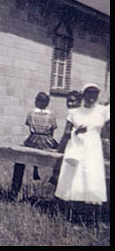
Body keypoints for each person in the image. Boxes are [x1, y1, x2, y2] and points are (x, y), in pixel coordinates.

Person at [54, 83, 109, 227]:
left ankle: (93, 219)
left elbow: (106, 132)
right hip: (77, 148)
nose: (91, 97)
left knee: (92, 180)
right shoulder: (74, 112)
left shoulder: (103, 111)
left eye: (94, 94)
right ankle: (73, 218)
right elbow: (66, 133)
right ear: (83, 95)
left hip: (94, 150)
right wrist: (76, 132)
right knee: (76, 180)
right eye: (88, 93)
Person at [23, 92, 58, 180]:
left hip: (33, 138)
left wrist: (33, 136)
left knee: (29, 145)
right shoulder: (51, 114)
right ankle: (54, 174)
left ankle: (36, 169)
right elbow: (52, 129)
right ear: (47, 103)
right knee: (58, 149)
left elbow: (29, 126)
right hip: (46, 139)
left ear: (36, 102)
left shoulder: (31, 113)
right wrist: (50, 139)